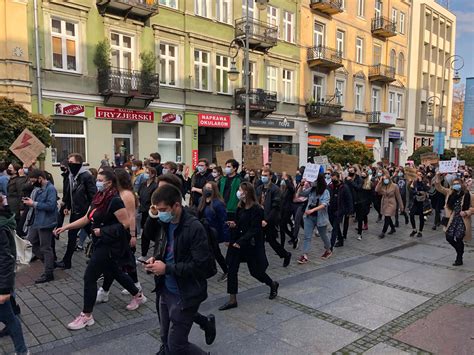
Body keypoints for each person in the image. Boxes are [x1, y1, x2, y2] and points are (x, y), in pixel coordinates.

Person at [55, 170, 146, 330]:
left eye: (100, 180)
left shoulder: (115, 200)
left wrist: (103, 231)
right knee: (115, 271)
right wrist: (65, 227)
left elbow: (125, 223)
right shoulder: (98, 198)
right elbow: (86, 218)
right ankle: (138, 295)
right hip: (99, 242)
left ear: (109, 182)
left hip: (109, 245)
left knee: (89, 277)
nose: (97, 182)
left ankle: (86, 316)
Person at [144, 184, 211, 354]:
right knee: (165, 338)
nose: (161, 213)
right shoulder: (165, 223)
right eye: (157, 210)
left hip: (185, 294)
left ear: (176, 205)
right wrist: (156, 260)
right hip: (165, 290)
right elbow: (165, 249)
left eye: (163, 209)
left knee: (176, 345)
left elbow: (201, 266)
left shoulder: (194, 227)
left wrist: (167, 269)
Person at [219, 182, 279, 310]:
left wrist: (241, 242)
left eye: (240, 190)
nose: (238, 192)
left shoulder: (257, 209)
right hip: (236, 243)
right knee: (232, 270)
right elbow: (239, 222)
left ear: (246, 192)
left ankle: (272, 284)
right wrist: (233, 224)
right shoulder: (240, 206)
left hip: (249, 244)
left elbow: (254, 229)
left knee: (255, 272)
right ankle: (232, 299)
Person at [97, 168, 142, 300]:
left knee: (124, 261)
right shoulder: (115, 193)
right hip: (116, 231)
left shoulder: (126, 195)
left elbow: (131, 217)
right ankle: (131, 285)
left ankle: (133, 287)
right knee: (119, 262)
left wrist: (133, 236)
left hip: (124, 231)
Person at [0, 195, 28, 355]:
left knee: (10, 317)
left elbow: (5, 258)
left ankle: (22, 351)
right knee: (10, 315)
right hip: (4, 281)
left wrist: (4, 289)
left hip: (2, 282)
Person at [57, 153, 96, 269]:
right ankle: (66, 261)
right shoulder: (71, 175)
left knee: (94, 236)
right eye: (69, 162)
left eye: (72, 163)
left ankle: (104, 259)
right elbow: (70, 192)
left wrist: (90, 213)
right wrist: (67, 207)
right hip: (76, 212)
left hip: (85, 213)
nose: (69, 165)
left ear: (79, 163)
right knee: (71, 236)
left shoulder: (86, 176)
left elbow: (93, 196)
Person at [24, 170, 58, 284]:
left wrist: (33, 203)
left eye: (34, 181)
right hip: (37, 221)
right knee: (30, 243)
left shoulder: (50, 189)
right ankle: (49, 263)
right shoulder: (38, 189)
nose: (33, 183)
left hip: (46, 222)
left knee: (45, 247)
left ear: (40, 178)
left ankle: (49, 273)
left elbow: (51, 206)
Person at [435, 174, 474, 266]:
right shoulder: (450, 192)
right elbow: (439, 187)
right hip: (452, 218)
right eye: (454, 184)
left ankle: (459, 258)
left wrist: (467, 212)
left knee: (459, 238)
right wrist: (438, 177)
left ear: (461, 184)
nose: (456, 185)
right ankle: (460, 251)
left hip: (463, 220)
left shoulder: (468, 194)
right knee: (449, 237)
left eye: (458, 183)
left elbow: (473, 208)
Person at [256, 168, 292, 267]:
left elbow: (275, 207)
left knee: (272, 241)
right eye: (262, 175)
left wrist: (267, 220)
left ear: (270, 176)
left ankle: (285, 254)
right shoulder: (259, 189)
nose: (263, 177)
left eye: (265, 175)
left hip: (270, 220)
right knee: (259, 241)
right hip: (260, 218)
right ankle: (262, 262)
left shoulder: (275, 189)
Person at [198, 181, 229, 282]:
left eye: (209, 188)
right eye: (206, 187)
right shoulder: (201, 200)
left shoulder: (218, 204)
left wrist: (226, 237)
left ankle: (226, 270)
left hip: (213, 233)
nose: (207, 190)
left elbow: (223, 221)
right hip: (203, 231)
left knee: (216, 252)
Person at [296, 174, 331, 263]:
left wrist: (312, 210)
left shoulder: (325, 191)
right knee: (307, 236)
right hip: (309, 217)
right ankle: (304, 255)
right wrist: (301, 185)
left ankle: (328, 249)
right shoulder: (311, 190)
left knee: (323, 235)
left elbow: (324, 204)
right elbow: (300, 194)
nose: (311, 182)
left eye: (313, 181)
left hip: (320, 218)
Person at [137, 167, 158, 262]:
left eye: (147, 172)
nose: (145, 174)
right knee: (144, 233)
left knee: (149, 232)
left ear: (153, 174)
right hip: (142, 211)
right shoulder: (143, 184)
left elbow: (154, 200)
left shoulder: (155, 186)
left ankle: (155, 254)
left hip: (151, 212)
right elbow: (139, 196)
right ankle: (143, 254)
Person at [376, 173, 404, 239]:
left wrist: (401, 206)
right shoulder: (382, 185)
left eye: (386, 179)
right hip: (384, 203)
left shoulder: (394, 186)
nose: (385, 180)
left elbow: (398, 196)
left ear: (389, 179)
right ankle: (393, 228)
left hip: (391, 203)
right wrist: (380, 181)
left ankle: (383, 232)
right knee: (387, 216)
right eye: (384, 179)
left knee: (387, 217)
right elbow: (377, 190)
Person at [328, 172, 353, 248]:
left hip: (340, 210)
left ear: (338, 178)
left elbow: (349, 199)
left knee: (335, 227)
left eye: (334, 179)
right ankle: (341, 239)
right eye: (332, 179)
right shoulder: (330, 186)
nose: (333, 180)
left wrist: (350, 210)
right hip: (331, 209)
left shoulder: (344, 187)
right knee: (334, 225)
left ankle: (330, 245)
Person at [6, 163, 28, 235]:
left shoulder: (18, 180)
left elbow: (21, 194)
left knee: (16, 225)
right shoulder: (11, 179)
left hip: (16, 206)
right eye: (8, 167)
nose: (8, 169)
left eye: (10, 168)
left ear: (15, 171)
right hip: (11, 204)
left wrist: (21, 208)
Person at [409, 172, 429, 238]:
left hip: (423, 202)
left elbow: (427, 189)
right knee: (411, 214)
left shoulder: (425, 181)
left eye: (420, 174)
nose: (419, 176)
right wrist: (416, 192)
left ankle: (420, 231)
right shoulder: (414, 181)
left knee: (421, 217)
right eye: (417, 174)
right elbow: (410, 190)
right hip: (415, 201)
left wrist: (421, 182)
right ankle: (414, 229)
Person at [279, 172, 295, 247]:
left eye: (284, 177)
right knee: (283, 227)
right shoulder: (283, 188)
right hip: (282, 209)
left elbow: (291, 189)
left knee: (282, 226)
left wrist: (286, 179)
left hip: (288, 209)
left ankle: (293, 238)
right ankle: (293, 238)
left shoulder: (290, 187)